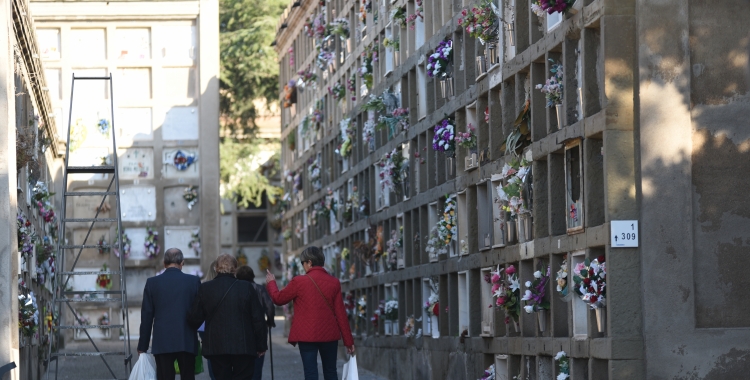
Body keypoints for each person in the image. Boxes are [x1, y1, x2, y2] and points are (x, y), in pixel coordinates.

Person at [265, 246, 355, 380]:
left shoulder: (299, 281)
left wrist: (271, 283)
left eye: (303, 263)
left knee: (310, 373)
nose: (303, 267)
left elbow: (278, 299)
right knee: (331, 372)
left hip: (307, 336)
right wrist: (349, 341)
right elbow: (341, 313)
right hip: (329, 335)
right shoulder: (334, 282)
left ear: (310, 262)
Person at [188, 254, 268, 379]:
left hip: (217, 346)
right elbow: (258, 318)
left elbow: (194, 318)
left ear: (216, 268)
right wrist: (261, 345)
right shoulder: (246, 287)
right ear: (235, 269)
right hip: (243, 345)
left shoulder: (205, 288)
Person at [138, 248, 201, 380]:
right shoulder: (193, 282)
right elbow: (199, 312)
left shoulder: (152, 283)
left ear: (164, 263)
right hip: (186, 338)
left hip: (162, 341)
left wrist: (142, 346)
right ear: (182, 263)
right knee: (188, 376)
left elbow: (147, 316)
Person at [235, 266, 275, 380]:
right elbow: (270, 307)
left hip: (241, 331)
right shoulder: (260, 289)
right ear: (252, 276)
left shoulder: (236, 290)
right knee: (257, 366)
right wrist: (270, 321)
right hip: (259, 330)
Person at [198, 260, 218, 380]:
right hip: (217, 324)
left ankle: (213, 376)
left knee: (210, 353)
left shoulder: (203, 285)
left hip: (204, 326)